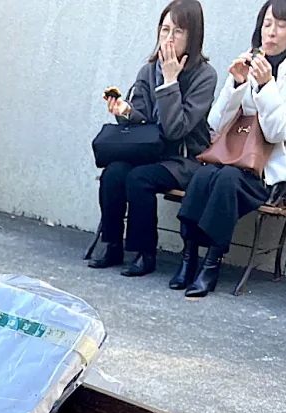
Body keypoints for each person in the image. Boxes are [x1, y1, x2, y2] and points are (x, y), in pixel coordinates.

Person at [173, 1, 286, 297]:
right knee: (203, 176)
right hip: (233, 158)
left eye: (281, 25)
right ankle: (189, 257)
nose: (271, 32)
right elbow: (215, 124)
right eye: (267, 24)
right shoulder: (250, 60)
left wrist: (265, 87)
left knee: (226, 180)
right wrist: (237, 84)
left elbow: (278, 132)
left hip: (270, 174)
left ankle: (211, 263)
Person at [90, 0, 217, 277]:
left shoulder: (204, 76)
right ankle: (112, 243)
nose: (169, 38)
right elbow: (144, 124)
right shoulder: (148, 71)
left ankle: (145, 252)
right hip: (149, 152)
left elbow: (176, 130)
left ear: (193, 36)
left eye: (178, 31)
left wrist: (170, 82)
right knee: (114, 173)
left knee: (140, 179)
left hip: (183, 160)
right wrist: (125, 112)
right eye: (165, 29)